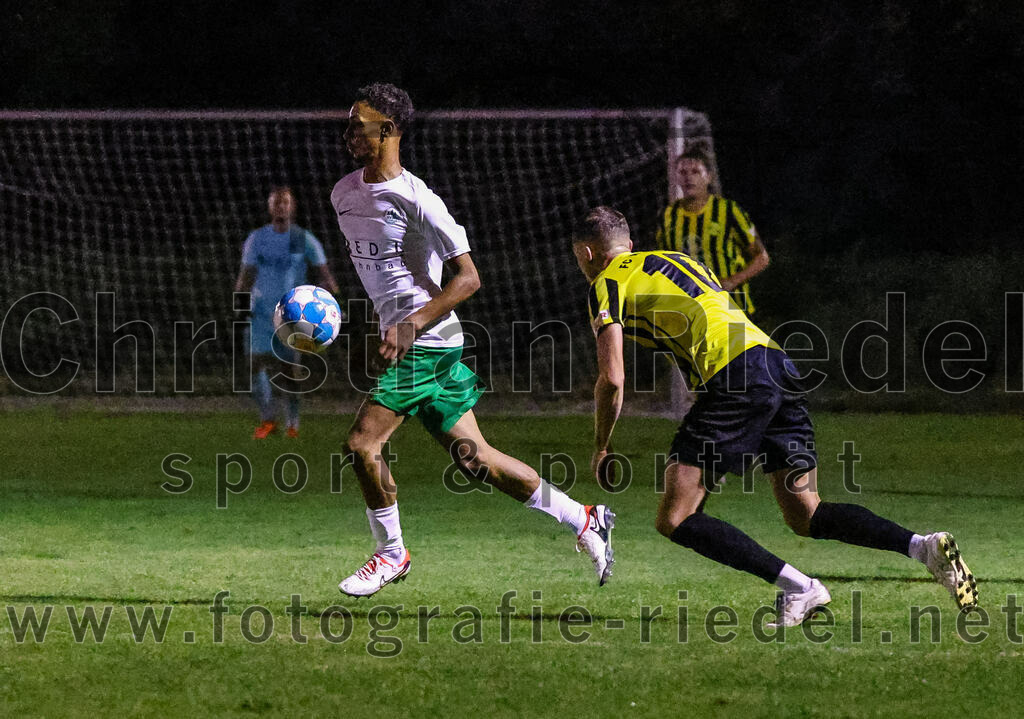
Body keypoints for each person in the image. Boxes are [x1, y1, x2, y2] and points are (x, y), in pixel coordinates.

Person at [572, 206, 978, 626]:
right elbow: (707, 319)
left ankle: (800, 587)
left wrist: (602, 445)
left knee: (676, 518)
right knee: (807, 513)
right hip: (776, 364)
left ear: (587, 253)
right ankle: (923, 547)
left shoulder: (606, 283)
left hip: (736, 378)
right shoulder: (679, 260)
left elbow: (613, 378)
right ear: (630, 244)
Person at [331, 82, 614, 597]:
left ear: (388, 130)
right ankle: (585, 517)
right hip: (413, 343)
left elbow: (468, 278)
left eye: (358, 125)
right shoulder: (344, 194)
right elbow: (383, 278)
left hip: (430, 342)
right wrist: (377, 327)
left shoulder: (420, 201)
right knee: (475, 458)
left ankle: (391, 554)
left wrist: (411, 324)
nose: (348, 133)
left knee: (361, 444)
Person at [234, 187, 339, 439]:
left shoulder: (303, 239)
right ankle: (268, 419)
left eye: (285, 203)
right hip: (260, 313)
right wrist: (240, 305)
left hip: (291, 315)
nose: (281, 207)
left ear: (293, 208)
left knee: (289, 370)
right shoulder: (258, 238)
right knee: (253, 364)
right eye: (276, 203)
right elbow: (246, 275)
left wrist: (333, 302)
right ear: (270, 207)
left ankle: (292, 423)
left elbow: (325, 276)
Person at [656, 146, 769, 317]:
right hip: (691, 308)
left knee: (737, 335)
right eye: (683, 172)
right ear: (676, 177)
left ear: (709, 176)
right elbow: (664, 262)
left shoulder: (729, 211)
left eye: (695, 172)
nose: (688, 177)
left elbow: (761, 258)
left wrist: (731, 281)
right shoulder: (668, 215)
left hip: (733, 304)